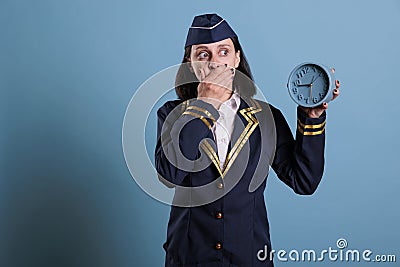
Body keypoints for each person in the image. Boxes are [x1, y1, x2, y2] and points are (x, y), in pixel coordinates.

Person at [155, 13, 340, 267]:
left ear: (237, 58)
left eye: (223, 52)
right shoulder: (172, 114)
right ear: (190, 64)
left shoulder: (266, 117)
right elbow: (168, 175)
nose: (215, 63)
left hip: (249, 257)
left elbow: (304, 181)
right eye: (203, 54)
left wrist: (312, 117)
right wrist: (205, 103)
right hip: (189, 257)